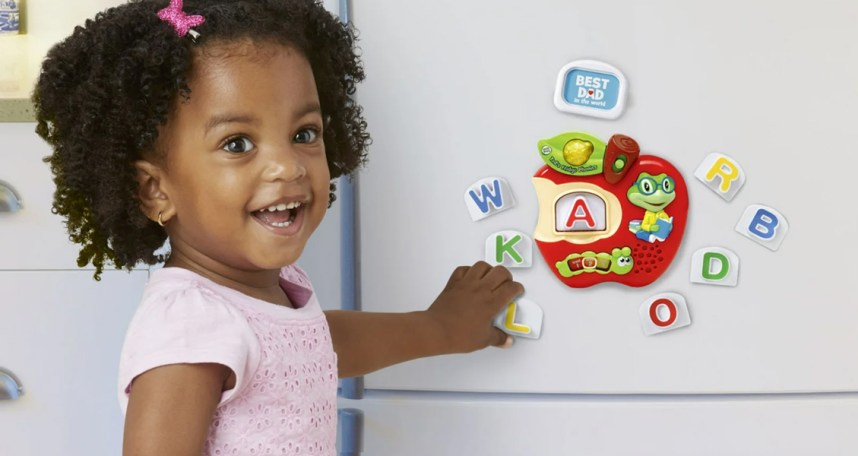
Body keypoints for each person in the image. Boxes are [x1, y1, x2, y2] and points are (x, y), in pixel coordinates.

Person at [32, 1, 523, 454]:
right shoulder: (190, 327)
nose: (287, 166)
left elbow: (312, 349)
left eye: (304, 134)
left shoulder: (259, 294)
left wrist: (438, 328)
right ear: (155, 191)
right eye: (238, 143)